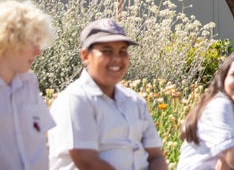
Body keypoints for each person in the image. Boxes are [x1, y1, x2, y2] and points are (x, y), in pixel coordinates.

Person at [48, 18, 168, 170]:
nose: (117, 59)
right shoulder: (76, 99)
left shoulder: (134, 101)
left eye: (122, 51)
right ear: (85, 56)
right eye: (107, 51)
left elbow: (156, 156)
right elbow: (87, 162)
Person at [0, 0, 57, 170]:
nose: (39, 52)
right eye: (33, 43)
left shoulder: (29, 82)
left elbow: (41, 141)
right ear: (9, 38)